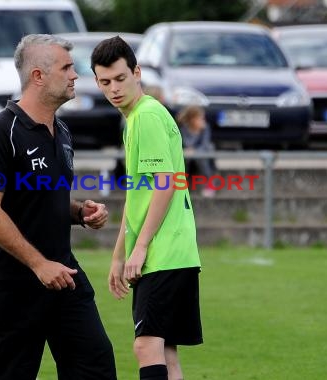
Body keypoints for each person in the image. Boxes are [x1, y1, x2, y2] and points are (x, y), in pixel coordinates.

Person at [0, 34, 117, 380]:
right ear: (38, 76)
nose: (75, 75)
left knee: (95, 365)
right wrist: (38, 264)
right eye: (67, 67)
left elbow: (44, 196)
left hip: (63, 274)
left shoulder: (62, 131)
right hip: (13, 281)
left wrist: (80, 212)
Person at [91, 36, 203, 380]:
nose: (114, 88)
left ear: (136, 72)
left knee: (147, 346)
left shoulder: (147, 116)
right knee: (165, 353)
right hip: (172, 251)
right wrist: (118, 253)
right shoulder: (137, 117)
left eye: (120, 78)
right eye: (105, 82)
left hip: (164, 252)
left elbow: (165, 183)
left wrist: (139, 248)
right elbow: (138, 193)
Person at [176, 105, 217, 198]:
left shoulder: (205, 128)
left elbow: (205, 145)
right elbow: (184, 143)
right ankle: (181, 184)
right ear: (192, 120)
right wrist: (189, 150)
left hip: (200, 154)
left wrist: (194, 150)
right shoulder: (183, 129)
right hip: (187, 154)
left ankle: (209, 184)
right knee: (182, 158)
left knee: (201, 156)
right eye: (200, 118)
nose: (203, 121)